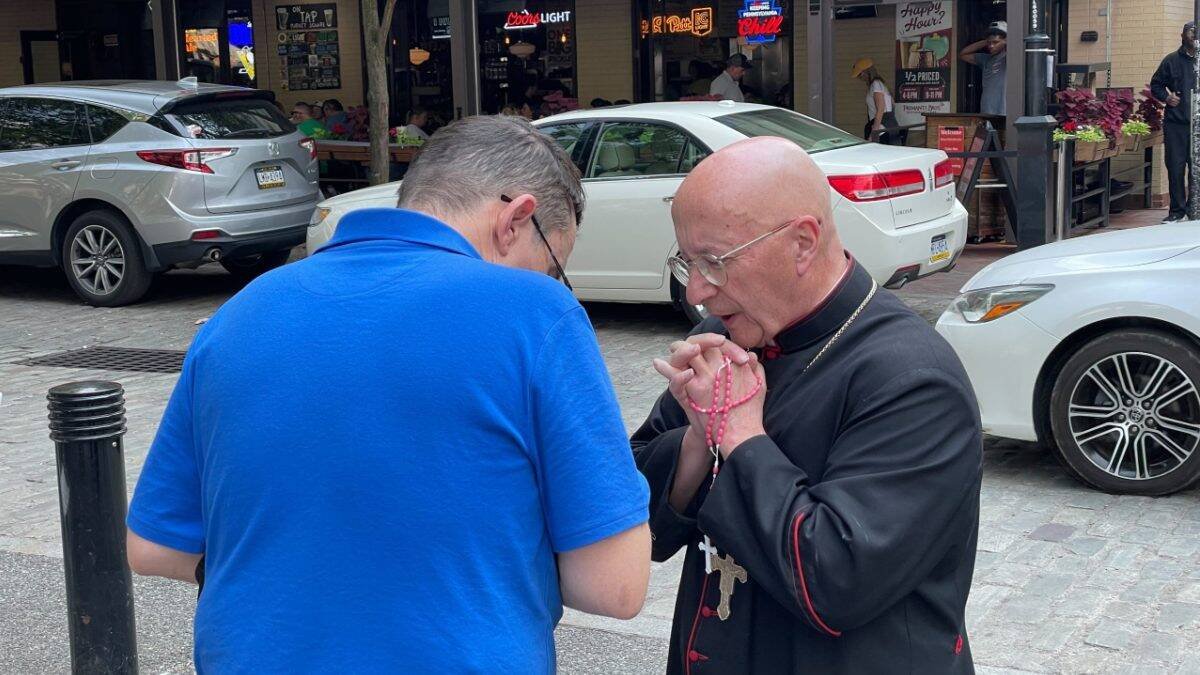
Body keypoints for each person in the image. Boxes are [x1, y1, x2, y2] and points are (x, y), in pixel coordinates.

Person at [125, 115, 652, 672]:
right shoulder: (534, 313)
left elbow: (155, 547)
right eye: (552, 266)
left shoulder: (241, 311)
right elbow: (613, 586)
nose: (548, 282)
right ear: (517, 218)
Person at [633, 137, 982, 673]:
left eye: (715, 262)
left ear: (801, 242)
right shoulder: (725, 335)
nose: (698, 290)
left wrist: (742, 437)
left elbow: (835, 581)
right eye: (687, 261)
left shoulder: (913, 378)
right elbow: (635, 520)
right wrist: (697, 440)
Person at [1151, 21, 1197, 223]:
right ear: (1182, 35)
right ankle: (1177, 211)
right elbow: (1156, 84)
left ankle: (1195, 209)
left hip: (1198, 125)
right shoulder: (1171, 60)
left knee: (1197, 168)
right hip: (1176, 124)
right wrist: (1167, 97)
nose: (1194, 35)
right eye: (1190, 31)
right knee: (1176, 167)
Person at [851, 58, 904, 145]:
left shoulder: (876, 85)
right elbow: (892, 104)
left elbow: (880, 109)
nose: (859, 77)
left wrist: (873, 133)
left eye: (860, 74)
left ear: (866, 72)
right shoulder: (880, 84)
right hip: (889, 127)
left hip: (881, 129)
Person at [960, 21, 1007, 116]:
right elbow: (963, 54)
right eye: (989, 43)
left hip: (1004, 111)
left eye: (995, 42)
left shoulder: (1008, 58)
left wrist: (1006, 41)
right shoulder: (985, 59)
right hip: (987, 110)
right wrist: (985, 41)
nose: (991, 46)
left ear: (1005, 41)